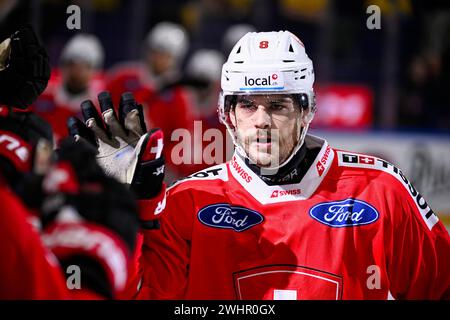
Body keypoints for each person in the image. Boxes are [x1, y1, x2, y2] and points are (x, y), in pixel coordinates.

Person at [73, 30, 450, 299]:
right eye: (248, 105)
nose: (261, 120)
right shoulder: (186, 203)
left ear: (307, 111)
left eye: (278, 106)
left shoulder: (381, 189)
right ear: (227, 114)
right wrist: (125, 209)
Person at [0, 26, 142, 299]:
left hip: (70, 198)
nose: (77, 70)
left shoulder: (105, 103)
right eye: (72, 63)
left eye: (85, 64)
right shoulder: (43, 95)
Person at [31, 33, 106, 144]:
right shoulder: (41, 93)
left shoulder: (98, 112)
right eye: (72, 64)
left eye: (84, 67)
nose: (76, 72)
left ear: (95, 71)